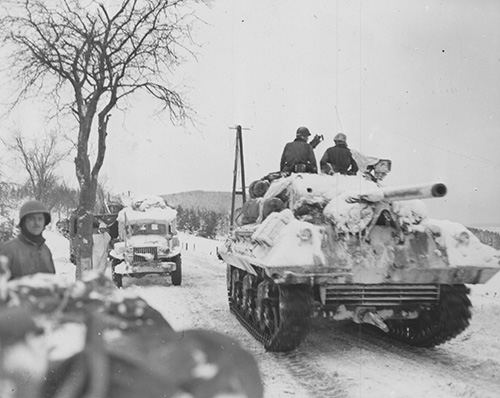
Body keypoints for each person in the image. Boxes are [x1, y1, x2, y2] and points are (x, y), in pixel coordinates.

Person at [0, 200, 55, 280]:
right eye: (32, 219)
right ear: (23, 222)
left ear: (44, 223)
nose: (36, 223)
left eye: (40, 219)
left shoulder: (45, 251)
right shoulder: (8, 250)